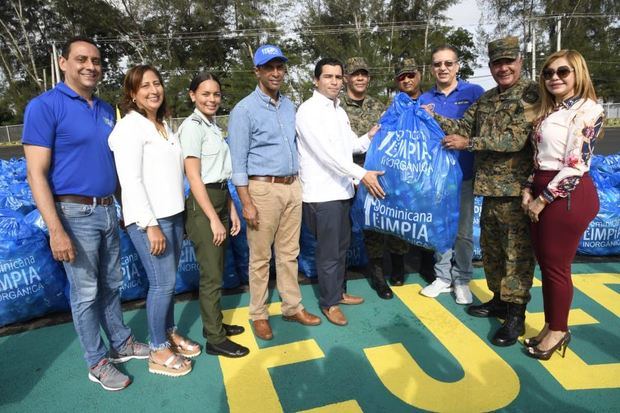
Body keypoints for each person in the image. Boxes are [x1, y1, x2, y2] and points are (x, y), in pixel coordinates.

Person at [23, 37, 148, 391]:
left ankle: (122, 344)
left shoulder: (107, 110)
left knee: (111, 285)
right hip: (73, 214)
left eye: (96, 60)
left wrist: (127, 209)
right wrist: (55, 230)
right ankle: (96, 361)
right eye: (81, 59)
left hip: (108, 210)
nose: (90, 66)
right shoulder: (44, 107)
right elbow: (35, 173)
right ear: (63, 63)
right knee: (85, 293)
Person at [436, 36, 538, 346]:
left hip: (517, 191)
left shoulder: (532, 94)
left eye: (509, 61)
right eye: (497, 63)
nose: (503, 68)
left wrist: (470, 144)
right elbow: (462, 127)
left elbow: (514, 140)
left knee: (516, 256)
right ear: (491, 66)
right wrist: (429, 117)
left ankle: (516, 314)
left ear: (519, 61)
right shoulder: (488, 98)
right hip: (491, 191)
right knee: (493, 251)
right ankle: (498, 300)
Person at [109, 65, 199, 377]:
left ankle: (169, 331)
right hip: (149, 219)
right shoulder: (129, 128)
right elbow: (130, 181)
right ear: (132, 94)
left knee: (169, 281)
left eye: (157, 83)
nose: (153, 90)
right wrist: (150, 225)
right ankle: (157, 347)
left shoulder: (161, 125)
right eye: (144, 86)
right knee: (162, 283)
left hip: (172, 214)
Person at [228, 44, 321, 341]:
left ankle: (292, 306)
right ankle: (258, 313)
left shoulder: (290, 105)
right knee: (259, 258)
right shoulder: (244, 110)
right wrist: (246, 202)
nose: (276, 72)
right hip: (262, 190)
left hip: (292, 186)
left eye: (280, 67)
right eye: (269, 67)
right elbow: (237, 162)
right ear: (257, 71)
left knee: (289, 253)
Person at [521, 50, 603, 360]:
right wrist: (529, 188)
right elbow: (540, 159)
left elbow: (575, 166)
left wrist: (542, 199)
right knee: (548, 264)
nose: (554, 77)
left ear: (577, 74)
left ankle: (559, 330)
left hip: (566, 195)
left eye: (563, 71)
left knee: (556, 268)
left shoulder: (588, 110)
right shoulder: (550, 110)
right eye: (548, 72)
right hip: (543, 189)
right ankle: (551, 324)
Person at [296, 57, 384, 326]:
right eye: (328, 77)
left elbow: (350, 148)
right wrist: (362, 175)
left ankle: (339, 292)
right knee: (329, 252)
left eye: (337, 77)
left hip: (342, 192)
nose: (334, 81)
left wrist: (370, 136)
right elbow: (327, 156)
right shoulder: (308, 111)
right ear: (316, 80)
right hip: (323, 196)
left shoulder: (339, 111)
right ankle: (329, 303)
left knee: (341, 248)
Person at [178, 72, 249, 358]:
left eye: (216, 94)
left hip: (220, 196)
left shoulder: (212, 126)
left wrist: (230, 209)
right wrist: (212, 218)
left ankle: (214, 325)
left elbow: (221, 175)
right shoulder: (192, 127)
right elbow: (194, 177)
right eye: (205, 94)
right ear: (192, 95)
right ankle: (215, 339)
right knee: (211, 276)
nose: (212, 99)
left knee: (217, 269)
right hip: (202, 203)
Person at [419, 45, 485, 304]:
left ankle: (462, 279)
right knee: (439, 229)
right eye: (437, 64)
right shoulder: (425, 99)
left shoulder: (474, 93)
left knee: (463, 232)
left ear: (458, 65)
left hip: (464, 175)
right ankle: (443, 277)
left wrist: (465, 142)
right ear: (432, 68)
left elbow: (483, 131)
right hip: (436, 178)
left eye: (448, 63)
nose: (443, 68)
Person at [341, 57, 409, 299]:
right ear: (346, 77)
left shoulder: (378, 106)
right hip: (350, 175)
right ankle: (377, 278)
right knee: (365, 230)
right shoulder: (337, 108)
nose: (360, 78)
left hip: (380, 174)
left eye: (364, 74)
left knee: (388, 222)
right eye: (355, 74)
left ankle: (398, 268)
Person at [393, 57, 435, 282]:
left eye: (411, 75)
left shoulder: (430, 101)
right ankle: (398, 269)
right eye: (402, 77)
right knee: (400, 220)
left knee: (426, 219)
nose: (407, 80)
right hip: (401, 171)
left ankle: (427, 266)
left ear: (419, 75)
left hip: (426, 172)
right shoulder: (394, 105)